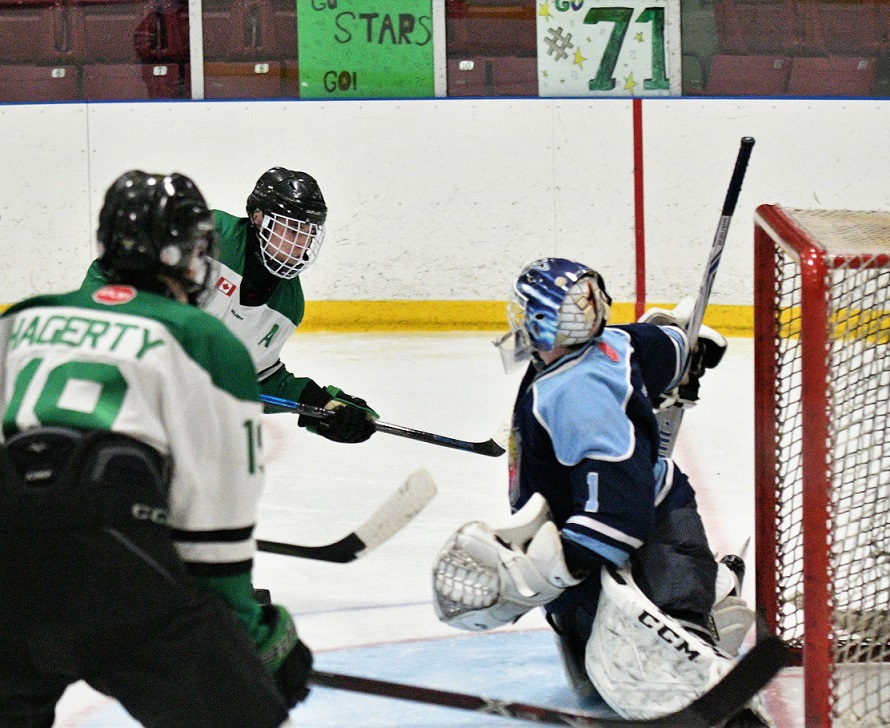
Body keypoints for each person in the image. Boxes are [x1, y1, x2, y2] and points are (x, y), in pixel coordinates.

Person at [1, 171, 311, 727]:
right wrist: (258, 639)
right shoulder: (206, 343)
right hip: (119, 571)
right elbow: (214, 542)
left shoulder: (21, 319)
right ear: (194, 257)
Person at [431, 257, 759, 721]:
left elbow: (619, 510)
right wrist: (690, 349)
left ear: (539, 322)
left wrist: (557, 565)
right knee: (595, 682)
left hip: (652, 535)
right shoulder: (613, 344)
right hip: (607, 527)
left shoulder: (576, 393)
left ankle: (705, 609)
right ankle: (705, 597)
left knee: (673, 660)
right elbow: (665, 345)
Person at [83, 167, 376, 445]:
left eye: (309, 233)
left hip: (164, 412)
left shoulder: (288, 307)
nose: (301, 245)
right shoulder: (212, 235)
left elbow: (253, 378)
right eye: (293, 231)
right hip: (108, 385)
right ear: (260, 219)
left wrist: (319, 404)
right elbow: (117, 268)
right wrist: (98, 322)